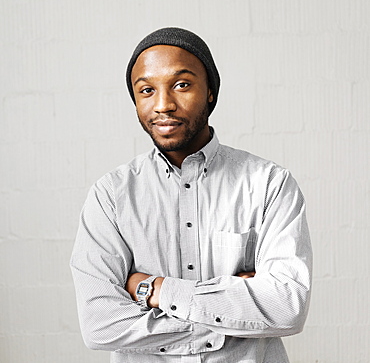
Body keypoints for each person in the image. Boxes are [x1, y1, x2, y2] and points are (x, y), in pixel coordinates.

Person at [70, 27, 312, 363]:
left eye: (182, 85)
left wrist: (155, 289)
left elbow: (286, 308)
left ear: (210, 91)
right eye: (146, 90)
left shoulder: (270, 184)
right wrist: (232, 309)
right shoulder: (110, 196)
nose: (163, 105)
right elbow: (99, 325)